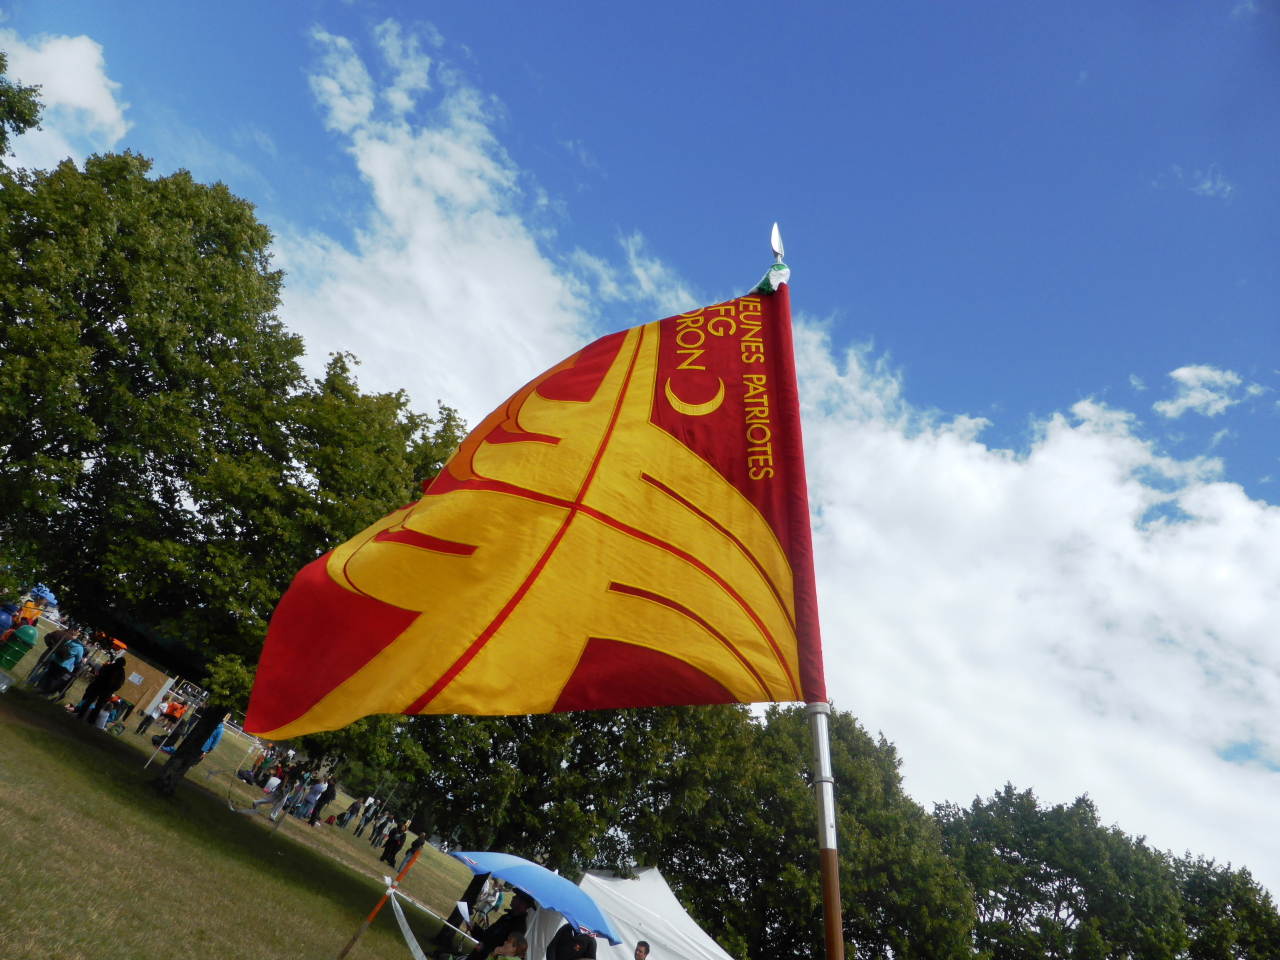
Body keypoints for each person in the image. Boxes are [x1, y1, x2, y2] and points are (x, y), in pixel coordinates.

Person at [473, 891, 535, 960]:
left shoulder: (519, 927)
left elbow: (506, 952)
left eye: (516, 897)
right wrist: (474, 929)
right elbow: (487, 935)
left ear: (523, 904)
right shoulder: (505, 917)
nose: (513, 897)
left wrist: (484, 949)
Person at [75, 651, 127, 724]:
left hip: (98, 686)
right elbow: (120, 684)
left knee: (89, 701)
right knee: (99, 706)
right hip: (107, 690)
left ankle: (80, 715)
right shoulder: (121, 672)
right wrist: (112, 689)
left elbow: (99, 674)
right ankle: (92, 721)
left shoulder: (108, 667)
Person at [37, 629, 85, 695]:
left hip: (55, 659)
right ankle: (47, 693)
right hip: (64, 665)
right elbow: (78, 660)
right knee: (55, 678)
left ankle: (39, 688)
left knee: (48, 674)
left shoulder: (70, 642)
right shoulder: (80, 648)